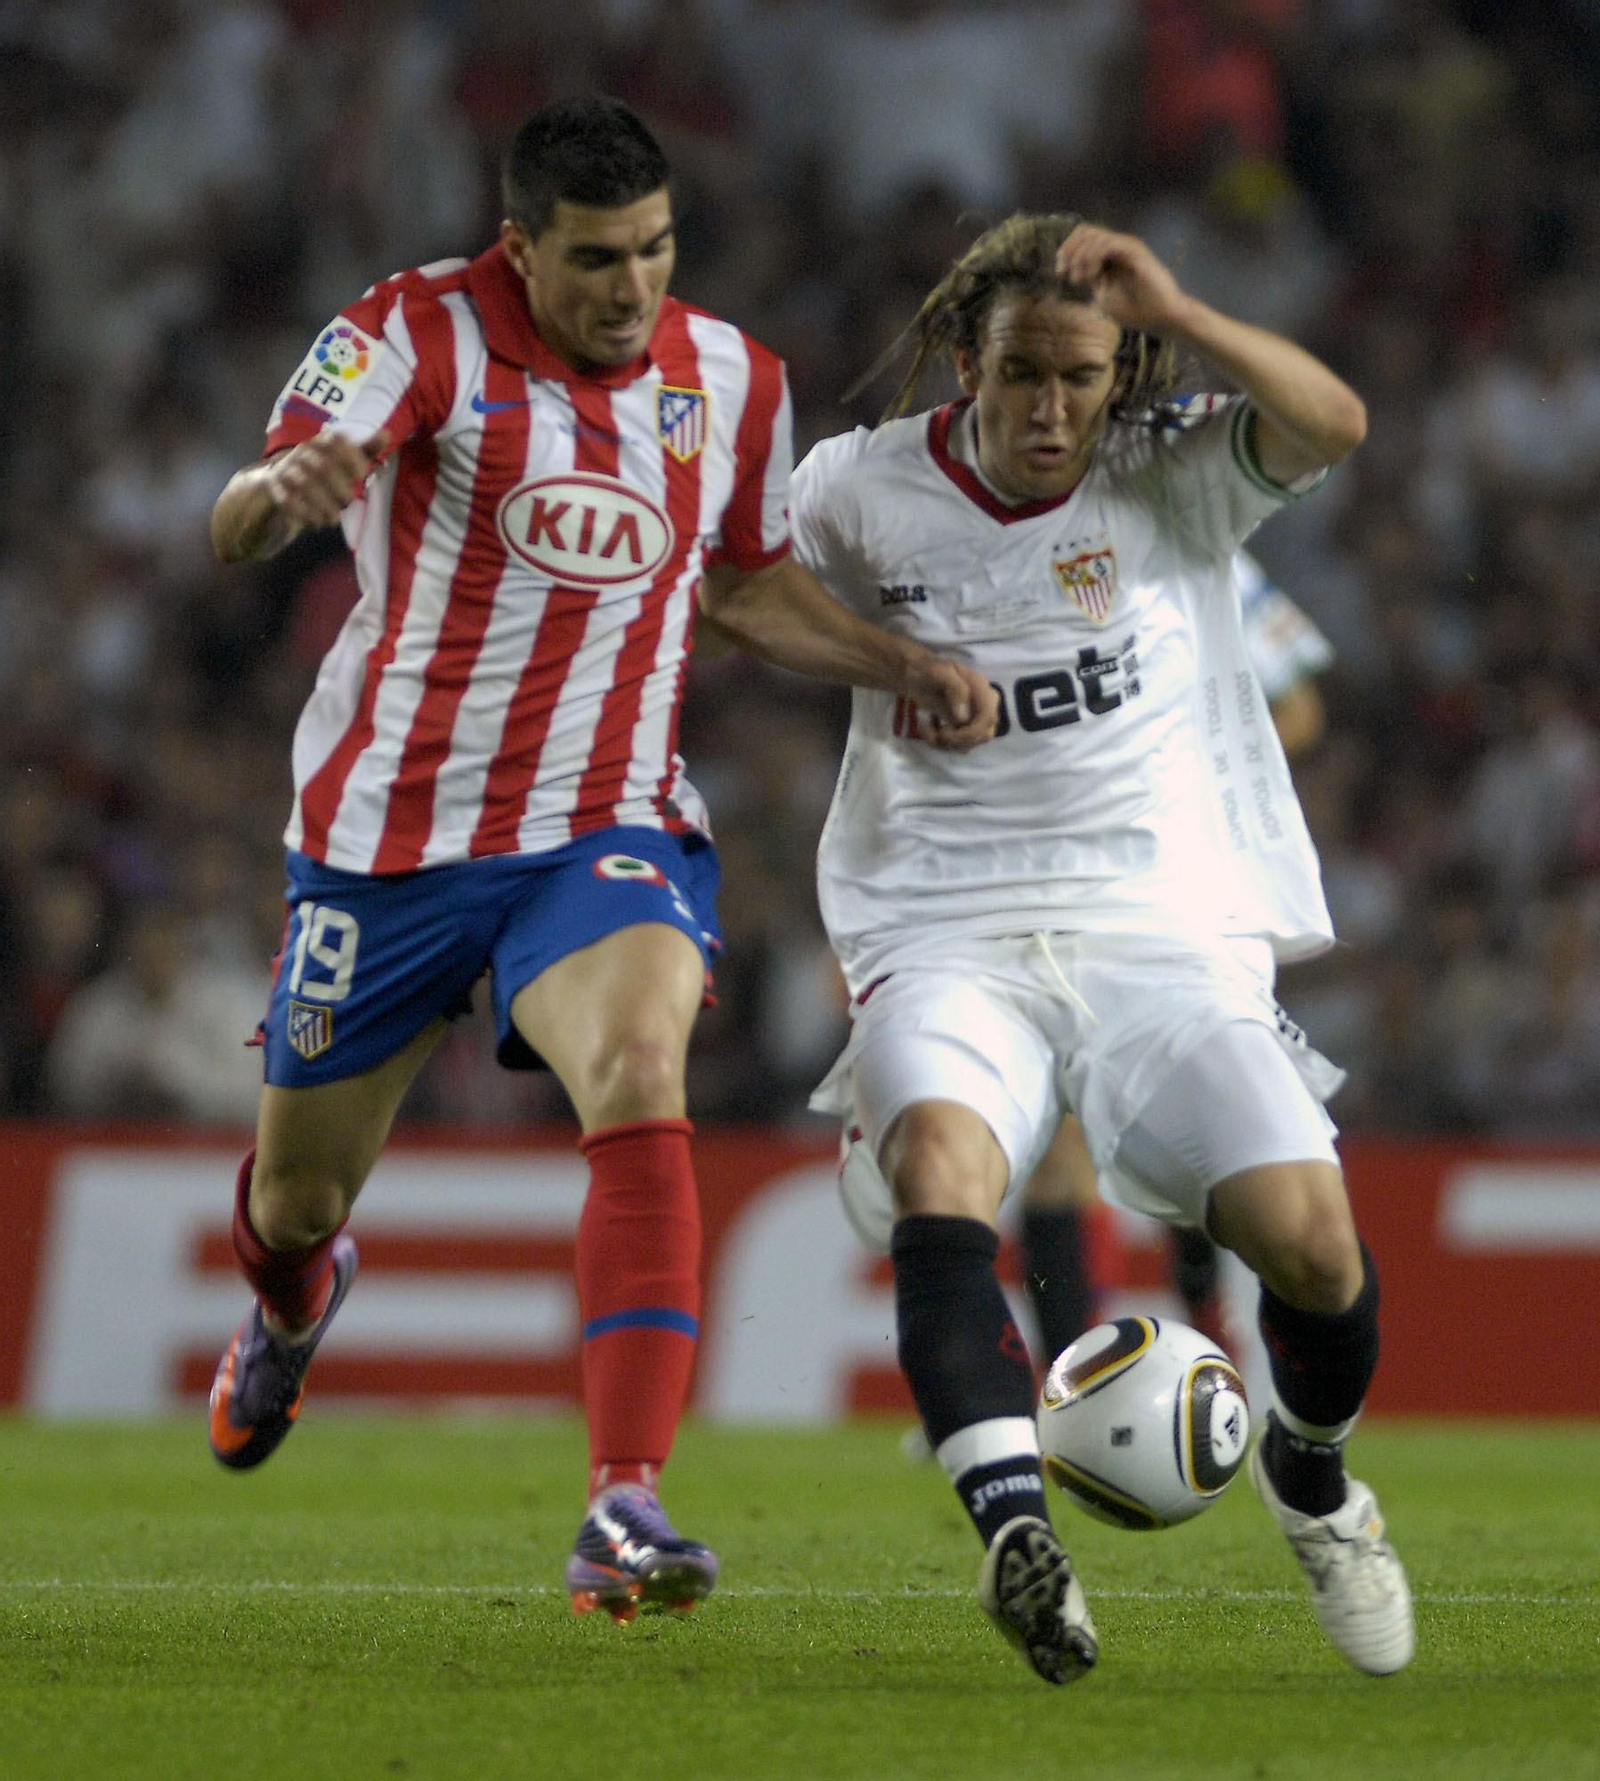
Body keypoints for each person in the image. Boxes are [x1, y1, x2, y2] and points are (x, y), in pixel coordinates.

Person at [204, 95, 996, 1624]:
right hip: (389, 845)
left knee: (642, 1069)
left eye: (654, 249)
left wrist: (893, 661)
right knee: (296, 1204)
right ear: (520, 247)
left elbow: (748, 589)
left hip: (603, 820)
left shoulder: (730, 377)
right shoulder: (411, 334)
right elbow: (246, 517)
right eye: (593, 260)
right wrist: (273, 499)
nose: (631, 287)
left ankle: (621, 1501)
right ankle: (295, 1305)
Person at [794, 212, 1412, 1684]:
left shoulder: (1171, 470)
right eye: (1022, 376)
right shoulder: (859, 487)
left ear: (1117, 374)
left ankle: (1313, 1480)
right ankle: (1017, 1527)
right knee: (949, 1173)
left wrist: (1181, 307)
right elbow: (731, 594)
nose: (1052, 409)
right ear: (966, 364)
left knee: (1317, 1253)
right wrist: (897, 663)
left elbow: (1334, 419)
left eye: (1082, 377)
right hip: (944, 922)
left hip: (1164, 928)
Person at [1018, 551, 1336, 1365]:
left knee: (1187, 1120)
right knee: (1060, 1139)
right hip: (1053, 882)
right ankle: (1070, 1383)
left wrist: (1189, 758)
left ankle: (1203, 1303)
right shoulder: (1009, 540)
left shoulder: (1202, 543)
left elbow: (1299, 707)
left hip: (1187, 887)